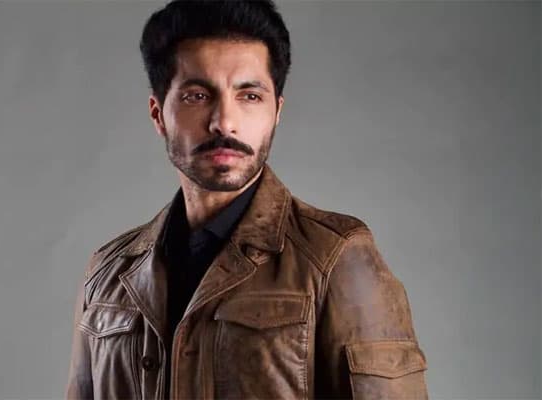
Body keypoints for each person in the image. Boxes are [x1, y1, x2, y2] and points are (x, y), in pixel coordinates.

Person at [65, 1, 429, 399]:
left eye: (250, 96)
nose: (224, 122)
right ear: (158, 114)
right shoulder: (108, 273)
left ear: (276, 112)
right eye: (197, 95)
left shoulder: (336, 258)